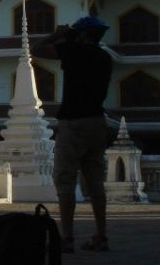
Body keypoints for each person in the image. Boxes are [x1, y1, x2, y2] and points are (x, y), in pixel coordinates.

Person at [39, 15, 112, 253]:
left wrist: (58, 35)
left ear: (81, 35)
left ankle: (67, 237)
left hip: (73, 123)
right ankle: (101, 235)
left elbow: (35, 49)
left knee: (66, 181)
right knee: (95, 182)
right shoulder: (105, 57)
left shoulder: (72, 52)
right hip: (97, 122)